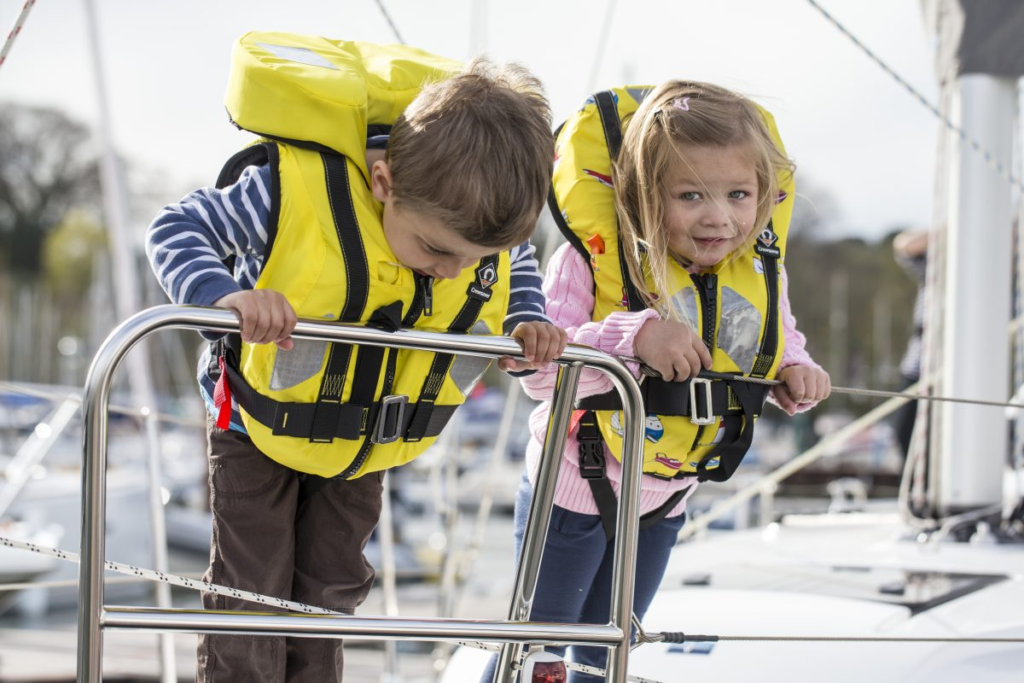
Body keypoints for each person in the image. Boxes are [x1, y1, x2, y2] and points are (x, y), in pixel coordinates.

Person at [146, 34, 566, 683]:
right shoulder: (286, 191)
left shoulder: (478, 230)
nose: (455, 271)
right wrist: (225, 295)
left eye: (474, 260)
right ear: (383, 182)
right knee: (251, 585)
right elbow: (176, 228)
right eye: (436, 250)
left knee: (332, 585)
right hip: (254, 426)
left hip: (365, 435)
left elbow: (519, 261)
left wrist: (527, 316)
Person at [481, 80, 831, 682]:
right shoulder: (590, 260)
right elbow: (542, 375)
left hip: (667, 498)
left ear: (767, 196)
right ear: (645, 194)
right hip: (576, 487)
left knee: (609, 655)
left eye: (738, 194)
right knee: (537, 656)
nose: (719, 217)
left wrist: (796, 369)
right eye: (690, 194)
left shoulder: (757, 270)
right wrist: (632, 338)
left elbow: (775, 334)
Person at [891, 229, 928, 459]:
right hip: (918, 366)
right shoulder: (938, 263)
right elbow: (905, 246)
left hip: (965, 373)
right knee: (904, 431)